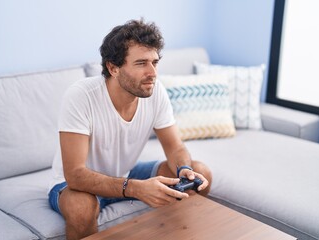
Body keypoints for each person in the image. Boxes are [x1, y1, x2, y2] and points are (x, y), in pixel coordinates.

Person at [48, 19, 212, 240]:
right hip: (75, 185)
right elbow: (76, 175)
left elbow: (175, 147)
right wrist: (134, 188)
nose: (152, 72)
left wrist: (183, 168)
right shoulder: (81, 96)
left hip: (126, 174)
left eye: (155, 62)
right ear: (113, 68)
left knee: (200, 173)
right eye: (141, 63)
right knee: (81, 207)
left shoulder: (156, 91)